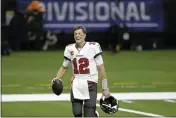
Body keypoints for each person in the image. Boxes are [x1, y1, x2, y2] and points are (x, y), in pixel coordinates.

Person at [51, 26, 111, 117]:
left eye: (80, 33)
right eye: (75, 34)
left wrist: (105, 88)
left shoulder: (93, 47)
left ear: (84, 35)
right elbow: (64, 67)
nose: (77, 36)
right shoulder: (69, 49)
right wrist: (57, 78)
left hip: (90, 83)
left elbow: (101, 68)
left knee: (89, 115)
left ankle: (94, 115)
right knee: (77, 113)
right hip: (76, 84)